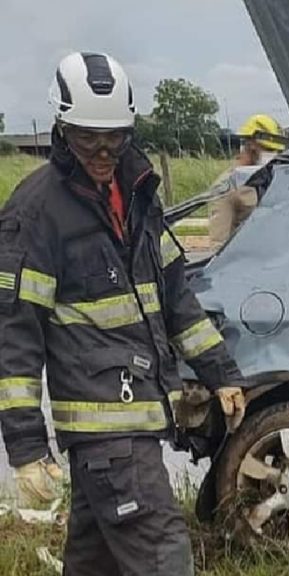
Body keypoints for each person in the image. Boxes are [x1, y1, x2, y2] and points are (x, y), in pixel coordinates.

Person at [0, 52, 247, 576]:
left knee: (95, 562)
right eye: (88, 136)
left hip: (139, 420)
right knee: (162, 552)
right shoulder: (37, 211)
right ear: (61, 128)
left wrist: (221, 373)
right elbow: (16, 332)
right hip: (105, 430)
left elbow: (176, 296)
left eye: (116, 134)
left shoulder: (138, 194)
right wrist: (24, 444)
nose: (104, 149)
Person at [207, 113, 284, 244]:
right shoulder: (227, 185)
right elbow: (219, 242)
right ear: (249, 146)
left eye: (276, 151)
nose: (273, 155)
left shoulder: (274, 177)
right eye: (268, 149)